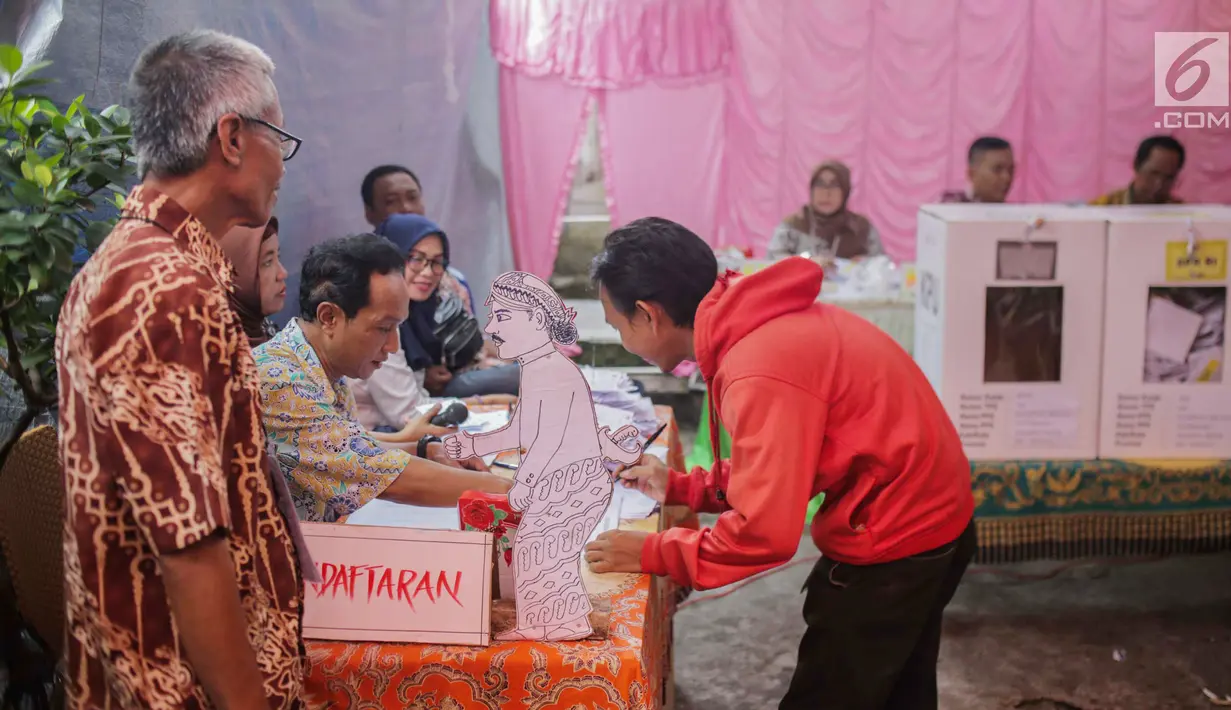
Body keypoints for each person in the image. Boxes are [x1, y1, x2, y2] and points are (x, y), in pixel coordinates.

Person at [582, 217, 976, 710]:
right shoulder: (754, 324)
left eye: (619, 326)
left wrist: (652, 552)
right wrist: (684, 487)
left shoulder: (759, 365)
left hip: (898, 533)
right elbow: (783, 465)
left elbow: (764, 532)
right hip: (931, 512)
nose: (623, 341)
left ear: (648, 314)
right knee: (899, 687)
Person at [56, 30, 307, 709]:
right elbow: (187, 543)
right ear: (231, 137)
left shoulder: (146, 261)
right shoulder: (164, 286)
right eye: (277, 141)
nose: (283, 166)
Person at [255, 234, 512, 523]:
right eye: (383, 328)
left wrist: (426, 448)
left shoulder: (322, 367)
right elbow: (370, 469)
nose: (391, 346)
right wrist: (507, 490)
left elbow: (346, 445)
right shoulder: (281, 381)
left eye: (397, 329)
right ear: (329, 317)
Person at [443, 271, 640, 642]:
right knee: (539, 553)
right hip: (568, 478)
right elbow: (522, 430)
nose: (490, 327)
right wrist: (473, 445)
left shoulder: (552, 370)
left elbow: (547, 438)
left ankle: (562, 624)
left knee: (542, 552)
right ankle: (555, 621)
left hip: (573, 480)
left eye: (502, 317)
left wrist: (528, 479)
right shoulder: (537, 368)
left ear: (535, 319)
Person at [361, 213, 520, 404]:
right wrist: (488, 403)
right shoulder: (375, 316)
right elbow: (407, 411)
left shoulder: (426, 304)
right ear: (389, 257)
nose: (428, 272)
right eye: (416, 259)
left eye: (437, 262)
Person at [768, 160, 884, 261]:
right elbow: (772, 260)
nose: (826, 193)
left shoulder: (860, 228)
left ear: (845, 191)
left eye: (834, 185)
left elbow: (882, 267)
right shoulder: (794, 224)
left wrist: (866, 264)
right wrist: (806, 263)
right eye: (820, 184)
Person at [218, 216, 287, 347]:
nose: (282, 273)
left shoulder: (269, 332)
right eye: (267, 262)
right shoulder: (220, 355)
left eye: (278, 257)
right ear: (234, 273)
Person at [1090, 135, 1185, 205]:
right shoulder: (1103, 208)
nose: (1159, 184)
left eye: (1169, 178)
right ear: (1136, 166)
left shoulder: (1184, 215)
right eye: (1153, 173)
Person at [941, 136, 1015, 203]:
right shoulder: (948, 210)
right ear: (972, 174)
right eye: (997, 170)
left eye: (1011, 170)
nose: (1007, 177)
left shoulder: (1016, 215)